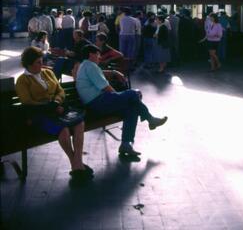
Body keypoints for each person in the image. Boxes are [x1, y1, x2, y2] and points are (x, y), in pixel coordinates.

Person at [76, 45, 168, 157]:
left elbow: (101, 73)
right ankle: (150, 119)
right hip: (98, 103)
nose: (99, 57)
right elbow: (106, 88)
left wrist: (114, 72)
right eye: (98, 54)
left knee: (132, 109)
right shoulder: (91, 66)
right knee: (134, 94)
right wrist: (120, 96)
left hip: (94, 104)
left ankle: (126, 144)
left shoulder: (85, 65)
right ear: (91, 54)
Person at [15, 47, 92, 180]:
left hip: (56, 111)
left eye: (41, 61)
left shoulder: (47, 73)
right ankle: (77, 164)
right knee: (64, 130)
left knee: (79, 123)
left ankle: (77, 163)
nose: (41, 64)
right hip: (38, 116)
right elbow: (27, 101)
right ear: (29, 64)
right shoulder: (23, 80)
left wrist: (56, 102)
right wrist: (51, 107)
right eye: (38, 62)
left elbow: (60, 91)